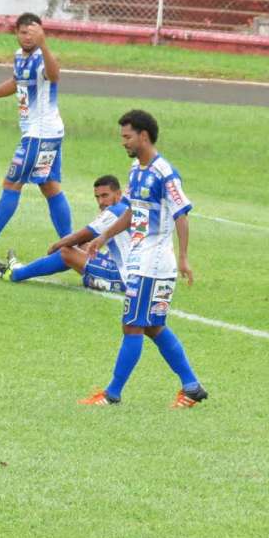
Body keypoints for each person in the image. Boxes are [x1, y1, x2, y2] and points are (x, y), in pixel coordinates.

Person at [80, 110, 208, 407]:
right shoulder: (136, 170)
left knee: (133, 325)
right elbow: (131, 212)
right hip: (142, 259)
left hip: (154, 263)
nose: (123, 142)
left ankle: (112, 394)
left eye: (127, 137)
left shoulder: (164, 172)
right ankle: (191, 386)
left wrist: (185, 258)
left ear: (143, 136)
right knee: (152, 326)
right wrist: (103, 236)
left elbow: (182, 215)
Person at [0, 12, 73, 258]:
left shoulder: (44, 56)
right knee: (49, 187)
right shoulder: (20, 57)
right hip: (46, 133)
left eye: (33, 31)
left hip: (39, 135)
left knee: (12, 183)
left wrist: (44, 45)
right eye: (23, 31)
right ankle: (72, 244)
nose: (27, 36)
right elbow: (16, 82)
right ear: (16, 33)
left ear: (41, 32)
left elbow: (54, 76)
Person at [0, 175, 129, 292]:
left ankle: (15, 274)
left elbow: (78, 236)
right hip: (131, 271)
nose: (101, 201)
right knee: (84, 247)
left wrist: (55, 246)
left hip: (122, 277)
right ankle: (20, 269)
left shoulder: (114, 212)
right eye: (97, 197)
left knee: (66, 252)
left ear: (118, 194)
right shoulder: (127, 207)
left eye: (105, 195)